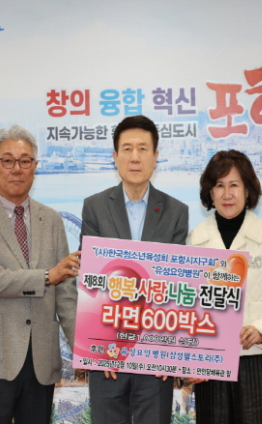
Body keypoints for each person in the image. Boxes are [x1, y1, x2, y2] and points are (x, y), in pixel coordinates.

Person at [0, 125, 80, 424]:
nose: (17, 169)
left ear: (35, 167)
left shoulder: (51, 220)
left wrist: (85, 349)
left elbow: (65, 295)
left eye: (25, 161)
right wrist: (46, 277)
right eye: (8, 160)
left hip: (41, 363)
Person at [80, 115, 189, 424]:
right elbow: (91, 281)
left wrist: (166, 350)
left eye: (143, 149)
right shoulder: (95, 207)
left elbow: (174, 285)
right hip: (107, 357)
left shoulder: (176, 211)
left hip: (155, 358)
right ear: (115, 157)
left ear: (156, 156)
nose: (135, 157)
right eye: (127, 149)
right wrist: (100, 348)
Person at [186, 150, 262, 424]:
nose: (227, 194)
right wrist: (190, 357)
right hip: (210, 362)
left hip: (256, 358)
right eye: (219, 185)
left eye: (234, 185)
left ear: (247, 191)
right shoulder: (195, 240)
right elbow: (185, 304)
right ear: (210, 193)